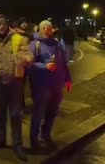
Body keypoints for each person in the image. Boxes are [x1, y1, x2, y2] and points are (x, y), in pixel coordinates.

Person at [0, 15, 34, 161]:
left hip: (15, 83)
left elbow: (28, 54)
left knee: (15, 114)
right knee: (0, 113)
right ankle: (0, 139)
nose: (1, 26)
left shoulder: (18, 39)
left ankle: (17, 144)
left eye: (4, 24)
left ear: (8, 25)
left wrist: (27, 58)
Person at [28, 20, 73, 154]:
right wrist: (44, 66)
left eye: (49, 27)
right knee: (38, 113)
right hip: (41, 86)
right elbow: (29, 66)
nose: (47, 30)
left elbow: (64, 64)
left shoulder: (58, 44)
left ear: (52, 29)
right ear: (40, 30)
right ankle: (33, 140)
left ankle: (46, 134)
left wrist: (68, 79)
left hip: (57, 86)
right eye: (43, 28)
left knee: (52, 113)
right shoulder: (34, 45)